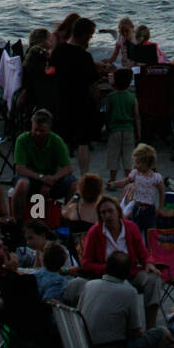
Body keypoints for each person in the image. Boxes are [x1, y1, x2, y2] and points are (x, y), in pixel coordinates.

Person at [78, 250, 173, 348]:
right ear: (128, 273)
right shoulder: (128, 292)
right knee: (164, 336)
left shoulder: (90, 285)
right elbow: (135, 332)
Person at [80, 196, 163, 328]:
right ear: (99, 216)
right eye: (103, 213)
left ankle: (151, 327)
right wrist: (108, 268)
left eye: (110, 211)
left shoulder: (131, 228)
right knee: (126, 291)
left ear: (118, 211)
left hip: (131, 272)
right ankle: (131, 329)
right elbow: (85, 263)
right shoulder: (95, 232)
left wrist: (148, 263)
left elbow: (144, 253)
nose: (107, 215)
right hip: (107, 277)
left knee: (153, 279)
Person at [50, 16, 101, 177]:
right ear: (85, 35)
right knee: (83, 143)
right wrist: (97, 104)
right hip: (81, 103)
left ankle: (58, 174)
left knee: (61, 141)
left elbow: (51, 71)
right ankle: (84, 176)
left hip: (62, 100)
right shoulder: (85, 57)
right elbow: (93, 85)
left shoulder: (58, 51)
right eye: (91, 35)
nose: (91, 38)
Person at [12, 109, 76, 224]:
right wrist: (40, 177)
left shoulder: (56, 141)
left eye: (42, 131)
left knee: (74, 184)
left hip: (51, 178)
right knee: (22, 184)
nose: (38, 134)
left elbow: (68, 167)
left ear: (49, 129)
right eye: (35, 130)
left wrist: (53, 178)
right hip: (31, 177)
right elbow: (19, 168)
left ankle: (66, 219)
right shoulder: (23, 139)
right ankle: (18, 221)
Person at [112, 142, 164, 239]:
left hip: (149, 209)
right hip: (137, 207)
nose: (135, 165)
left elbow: (161, 192)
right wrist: (114, 183)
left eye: (138, 163)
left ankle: (150, 251)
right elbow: (125, 182)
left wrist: (160, 207)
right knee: (136, 231)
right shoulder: (135, 174)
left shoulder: (156, 177)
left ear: (146, 163)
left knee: (150, 232)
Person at [105, 68, 140, 182]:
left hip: (114, 130)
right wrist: (138, 132)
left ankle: (112, 179)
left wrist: (107, 127)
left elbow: (108, 114)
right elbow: (136, 116)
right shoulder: (132, 97)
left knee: (113, 156)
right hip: (129, 130)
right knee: (128, 157)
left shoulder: (111, 97)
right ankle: (128, 179)